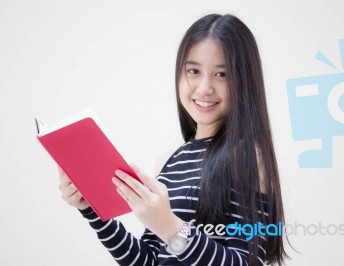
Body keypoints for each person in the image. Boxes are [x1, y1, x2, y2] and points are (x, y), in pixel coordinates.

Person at [58, 13, 288, 265]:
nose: (204, 87)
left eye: (221, 74)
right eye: (194, 71)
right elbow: (148, 261)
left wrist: (169, 226)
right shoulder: (168, 161)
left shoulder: (246, 155)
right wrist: (92, 210)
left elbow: (248, 262)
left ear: (244, 82)